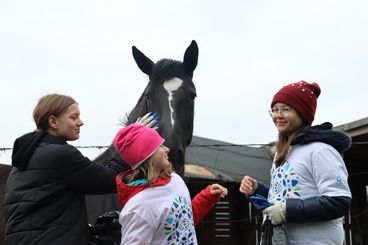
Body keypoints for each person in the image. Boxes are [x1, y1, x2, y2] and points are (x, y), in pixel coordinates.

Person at [4, 94, 158, 245]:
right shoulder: (60, 154)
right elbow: (111, 178)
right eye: (73, 117)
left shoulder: (24, 158)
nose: (81, 122)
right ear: (53, 121)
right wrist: (131, 139)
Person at [239, 81, 352, 244]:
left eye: (286, 109)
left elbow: (339, 202)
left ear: (303, 113)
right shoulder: (282, 152)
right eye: (275, 110)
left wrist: (286, 210)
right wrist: (257, 189)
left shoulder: (321, 151)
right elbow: (285, 198)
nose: (278, 115)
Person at [113, 123, 228, 244]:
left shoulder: (175, 180)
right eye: (160, 145)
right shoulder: (138, 209)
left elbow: (183, 223)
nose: (167, 149)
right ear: (148, 156)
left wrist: (207, 197)